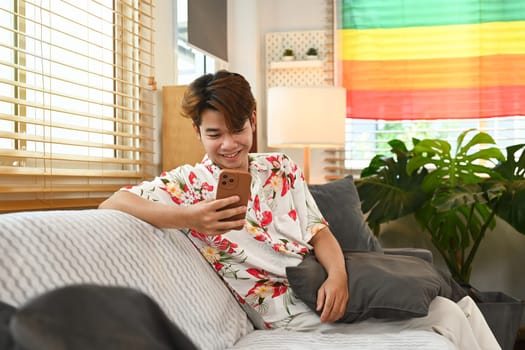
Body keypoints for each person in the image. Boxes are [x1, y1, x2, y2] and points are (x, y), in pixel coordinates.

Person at [99, 70, 500, 350]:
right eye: (214, 134)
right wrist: (192, 218)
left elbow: (318, 231)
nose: (229, 145)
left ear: (252, 121)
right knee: (447, 315)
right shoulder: (186, 184)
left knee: (460, 306)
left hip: (323, 287)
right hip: (284, 311)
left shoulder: (280, 168)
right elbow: (113, 202)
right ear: (198, 133)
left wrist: (339, 276)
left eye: (237, 129)